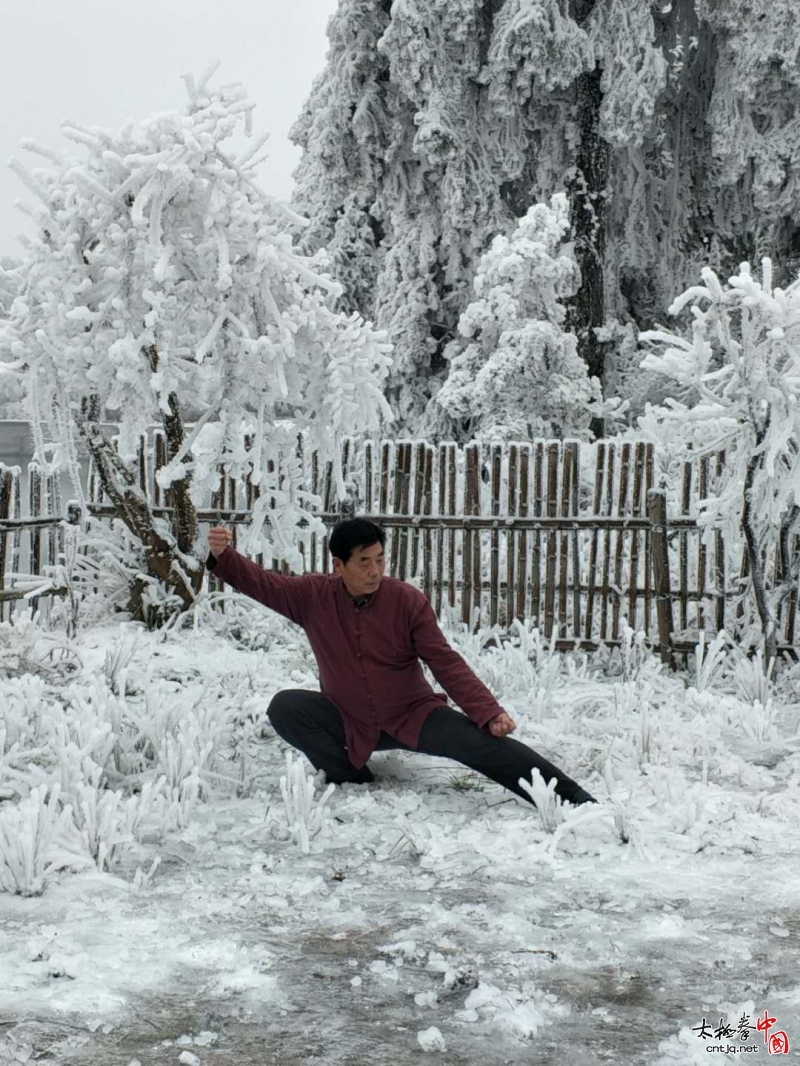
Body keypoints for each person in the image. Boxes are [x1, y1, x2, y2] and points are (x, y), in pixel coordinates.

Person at [206, 518, 596, 808]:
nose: (375, 570)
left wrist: (486, 711)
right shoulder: (311, 596)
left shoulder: (406, 600)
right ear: (338, 566)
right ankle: (351, 777)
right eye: (363, 562)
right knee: (286, 707)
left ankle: (573, 797)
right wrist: (226, 556)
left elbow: (444, 660)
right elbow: (263, 582)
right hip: (349, 718)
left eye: (379, 559)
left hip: (413, 715)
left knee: (486, 746)